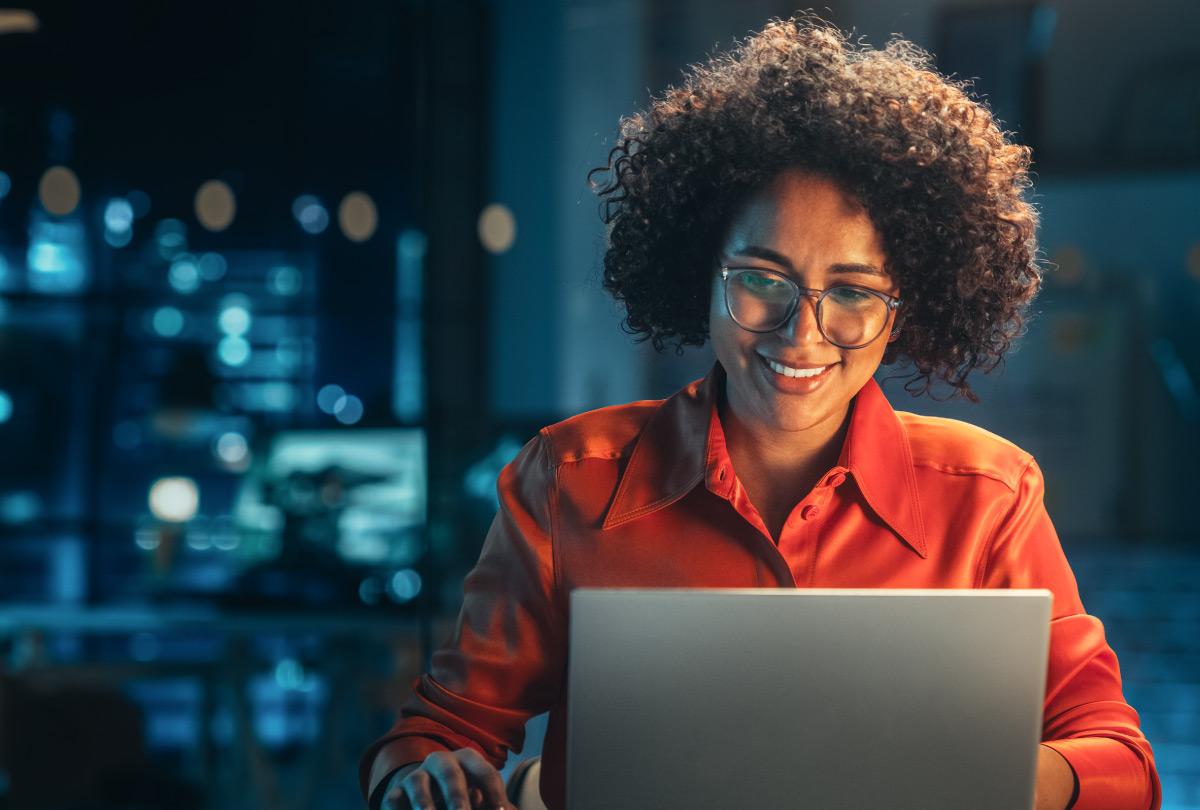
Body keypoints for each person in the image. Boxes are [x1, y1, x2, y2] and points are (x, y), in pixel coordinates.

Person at [361, 17, 1160, 810]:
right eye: (761, 279)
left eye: (850, 292)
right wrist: (423, 775)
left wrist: (983, 776)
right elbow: (441, 730)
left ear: (902, 309)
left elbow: (1124, 764)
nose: (802, 332)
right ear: (701, 273)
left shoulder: (988, 495)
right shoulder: (569, 482)